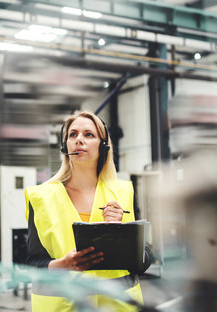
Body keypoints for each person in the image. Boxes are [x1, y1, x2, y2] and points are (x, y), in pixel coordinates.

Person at [25, 110, 151, 311]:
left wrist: (122, 233)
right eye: (72, 135)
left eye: (88, 134)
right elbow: (33, 261)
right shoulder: (40, 197)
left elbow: (144, 260)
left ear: (102, 146)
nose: (79, 140)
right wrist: (62, 265)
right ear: (64, 145)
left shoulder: (123, 192)